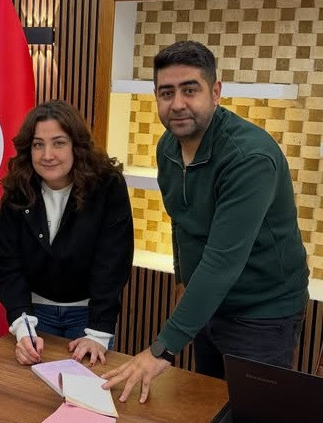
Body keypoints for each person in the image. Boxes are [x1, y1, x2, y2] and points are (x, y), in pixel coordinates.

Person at [102, 40, 309, 402]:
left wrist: (161, 349)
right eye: (166, 92)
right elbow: (180, 220)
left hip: (261, 314)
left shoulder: (249, 157)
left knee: (252, 411)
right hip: (209, 303)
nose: (177, 103)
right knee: (207, 404)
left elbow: (223, 260)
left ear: (215, 92)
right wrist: (182, 278)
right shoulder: (168, 147)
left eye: (190, 90)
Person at [0, 100, 134, 367]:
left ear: (76, 145)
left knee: (84, 389)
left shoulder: (107, 186)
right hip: (34, 315)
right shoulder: (18, 187)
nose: (47, 155)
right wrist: (23, 326)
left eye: (58, 143)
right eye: (38, 144)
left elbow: (112, 263)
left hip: (88, 315)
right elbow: (7, 262)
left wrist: (98, 333)